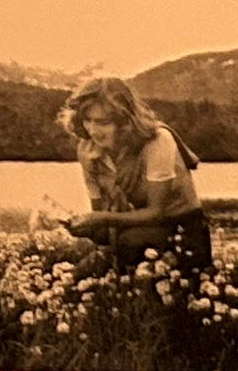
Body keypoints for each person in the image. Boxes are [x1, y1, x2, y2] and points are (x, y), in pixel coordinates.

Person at [56, 74, 214, 273]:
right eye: (87, 120)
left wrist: (101, 218)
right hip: (135, 231)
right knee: (95, 252)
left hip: (183, 231)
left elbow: (156, 213)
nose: (93, 130)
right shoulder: (88, 149)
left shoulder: (157, 141)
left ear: (125, 121)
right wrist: (81, 225)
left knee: (130, 243)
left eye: (103, 122)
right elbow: (102, 218)